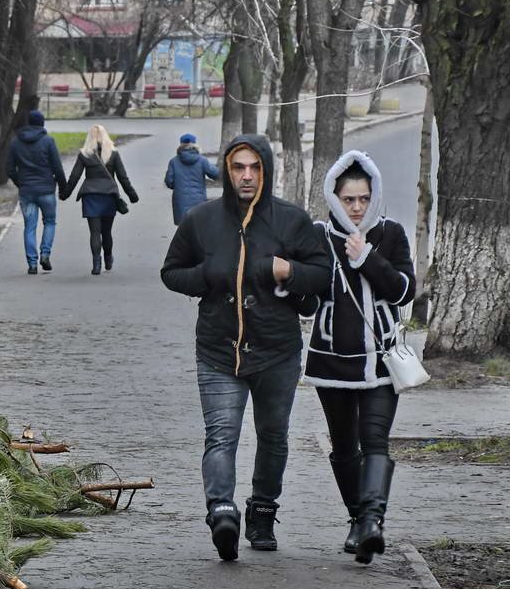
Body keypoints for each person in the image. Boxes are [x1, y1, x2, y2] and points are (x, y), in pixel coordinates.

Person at [160, 134, 331, 561]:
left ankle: (262, 513)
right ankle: (222, 512)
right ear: (227, 171)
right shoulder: (201, 220)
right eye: (239, 167)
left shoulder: (291, 220)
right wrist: (207, 274)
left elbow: (322, 274)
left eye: (255, 167)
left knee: (273, 436)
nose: (247, 176)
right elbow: (171, 271)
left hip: (278, 352)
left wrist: (288, 270)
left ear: (266, 170)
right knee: (221, 435)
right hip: (219, 350)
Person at [302, 151, 416, 564]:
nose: (356, 207)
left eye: (364, 198)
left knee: (375, 440)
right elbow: (306, 301)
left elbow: (404, 291)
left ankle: (371, 523)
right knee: (344, 446)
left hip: (381, 360)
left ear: (375, 196)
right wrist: (288, 281)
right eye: (348, 199)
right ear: (334, 198)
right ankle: (357, 518)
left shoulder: (391, 233)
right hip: (331, 361)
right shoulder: (318, 236)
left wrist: (367, 257)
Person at [62, 124, 138, 275]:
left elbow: (75, 176)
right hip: (109, 195)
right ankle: (108, 258)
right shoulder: (113, 154)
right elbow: (122, 177)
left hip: (90, 196)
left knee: (95, 232)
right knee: (107, 231)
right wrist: (132, 195)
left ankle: (96, 264)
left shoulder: (85, 155)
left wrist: (65, 194)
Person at [6, 110, 66, 275]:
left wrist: (20, 183)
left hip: (27, 192)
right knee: (50, 222)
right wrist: (63, 188)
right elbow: (57, 168)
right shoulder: (48, 141)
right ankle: (45, 254)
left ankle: (32, 264)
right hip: (46, 190)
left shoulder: (16, 142)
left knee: (29, 227)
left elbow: (9, 169)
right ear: (42, 123)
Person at [164, 133, 219, 226]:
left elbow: (169, 181)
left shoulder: (173, 161)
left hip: (180, 200)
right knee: (198, 226)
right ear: (195, 144)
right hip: (198, 200)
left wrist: (177, 186)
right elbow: (214, 174)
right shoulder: (202, 160)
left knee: (183, 227)